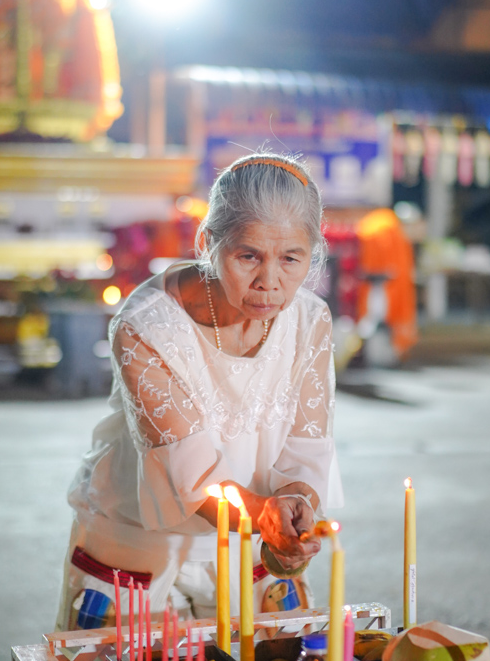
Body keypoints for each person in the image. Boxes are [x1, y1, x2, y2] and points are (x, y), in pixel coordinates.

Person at [55, 152, 343, 630]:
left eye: (291, 259)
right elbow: (191, 479)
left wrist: (296, 508)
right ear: (209, 242)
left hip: (250, 548)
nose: (269, 282)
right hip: (137, 552)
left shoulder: (310, 319)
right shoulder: (146, 327)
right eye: (248, 256)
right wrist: (267, 517)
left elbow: (305, 447)